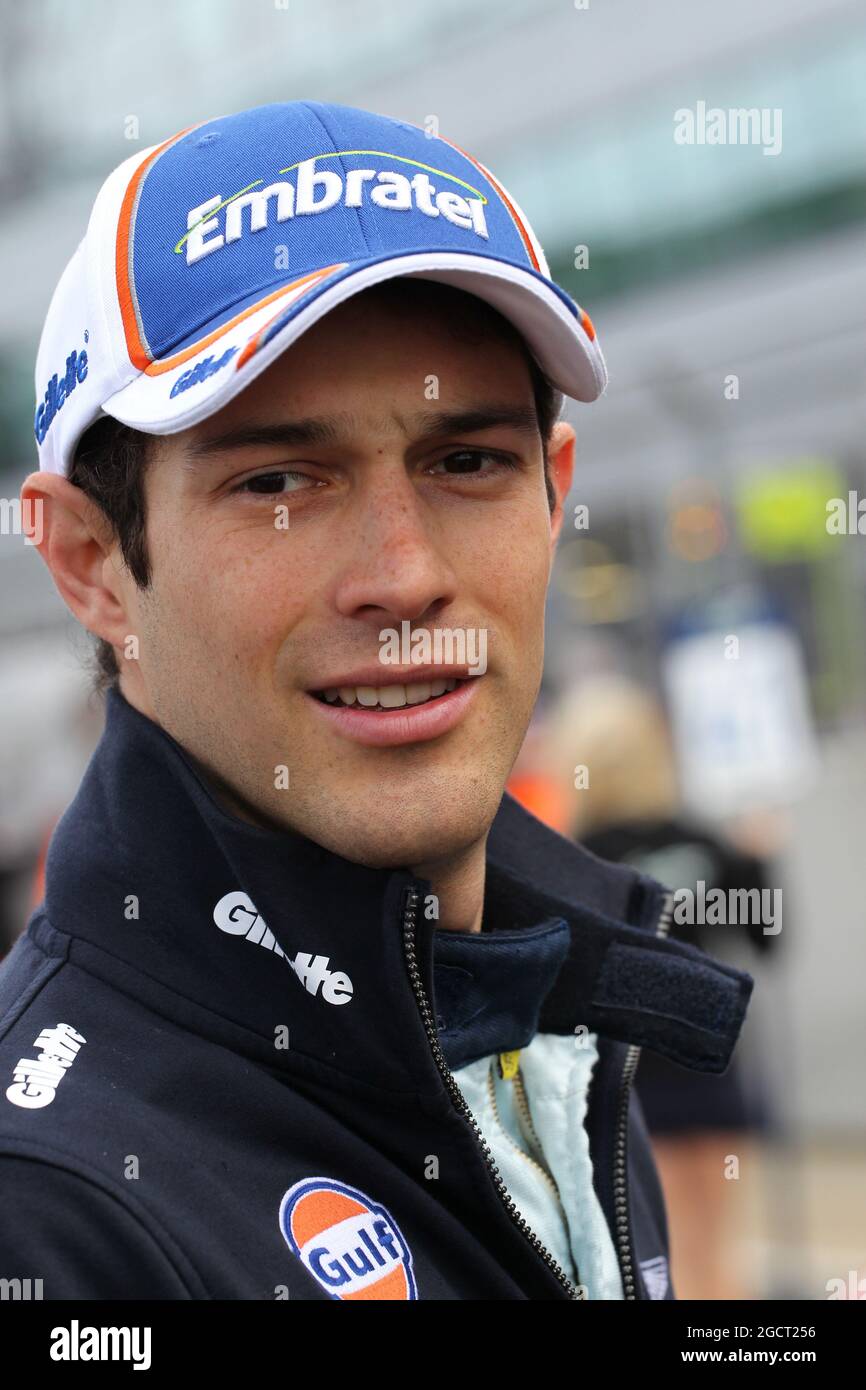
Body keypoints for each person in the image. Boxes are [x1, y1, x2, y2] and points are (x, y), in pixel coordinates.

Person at [0, 101, 752, 1301]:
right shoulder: (50, 1213)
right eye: (280, 480)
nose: (404, 575)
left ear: (552, 496)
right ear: (91, 562)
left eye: (465, 461)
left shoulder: (550, 1030)